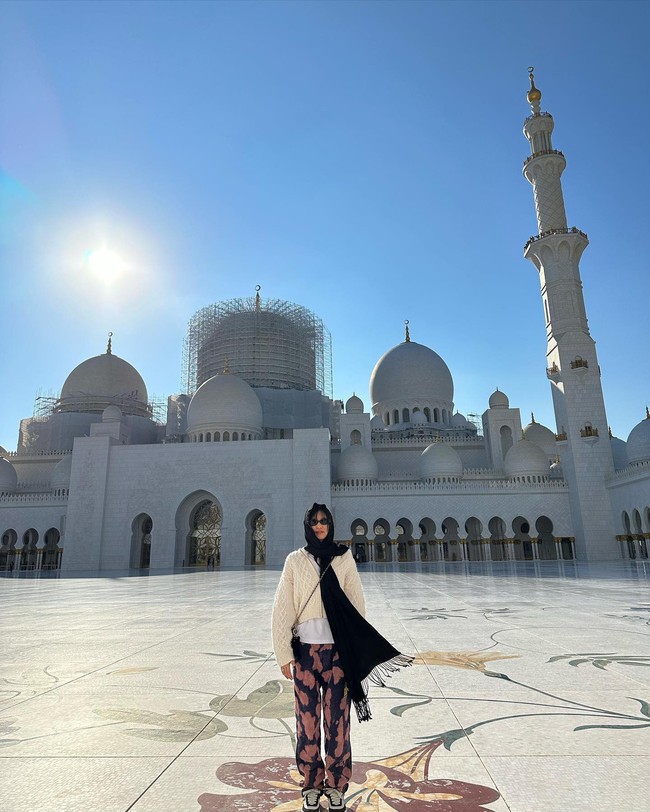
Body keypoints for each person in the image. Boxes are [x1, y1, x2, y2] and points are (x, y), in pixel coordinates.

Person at [272, 503, 412, 812]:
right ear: (307, 525)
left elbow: (356, 602)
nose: (320, 526)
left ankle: (335, 784)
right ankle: (311, 783)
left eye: (324, 521)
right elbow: (283, 608)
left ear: (331, 524)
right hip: (305, 654)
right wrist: (283, 652)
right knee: (306, 721)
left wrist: (354, 647)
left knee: (337, 722)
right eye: (314, 521)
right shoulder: (295, 560)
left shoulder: (343, 557)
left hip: (337, 653)